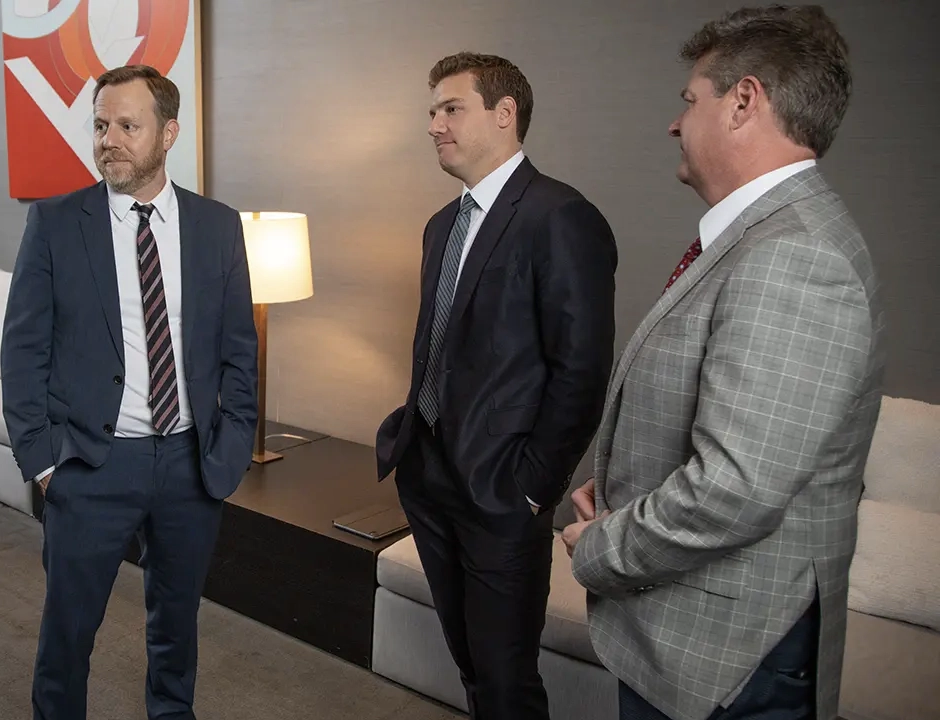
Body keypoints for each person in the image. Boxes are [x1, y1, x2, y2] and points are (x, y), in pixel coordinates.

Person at [562, 6, 883, 720]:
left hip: (732, 664)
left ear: (743, 101)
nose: (676, 123)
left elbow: (732, 491)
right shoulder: (761, 239)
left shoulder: (794, 257)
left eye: (690, 100)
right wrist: (621, 483)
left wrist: (602, 544)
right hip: (701, 647)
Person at [2, 64, 258, 720]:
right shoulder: (56, 224)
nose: (108, 139)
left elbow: (238, 352)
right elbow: (24, 351)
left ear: (168, 133)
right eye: (99, 125)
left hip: (187, 465)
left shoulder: (218, 226)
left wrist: (227, 450)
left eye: (127, 125)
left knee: (175, 630)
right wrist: (44, 460)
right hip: (89, 464)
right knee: (67, 637)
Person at [375, 52, 617, 719]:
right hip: (428, 480)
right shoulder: (440, 227)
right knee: (473, 671)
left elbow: (582, 370)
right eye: (431, 111)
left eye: (450, 108)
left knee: (508, 682)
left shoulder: (561, 217)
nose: (434, 125)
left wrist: (534, 488)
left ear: (504, 114)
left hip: (502, 496)